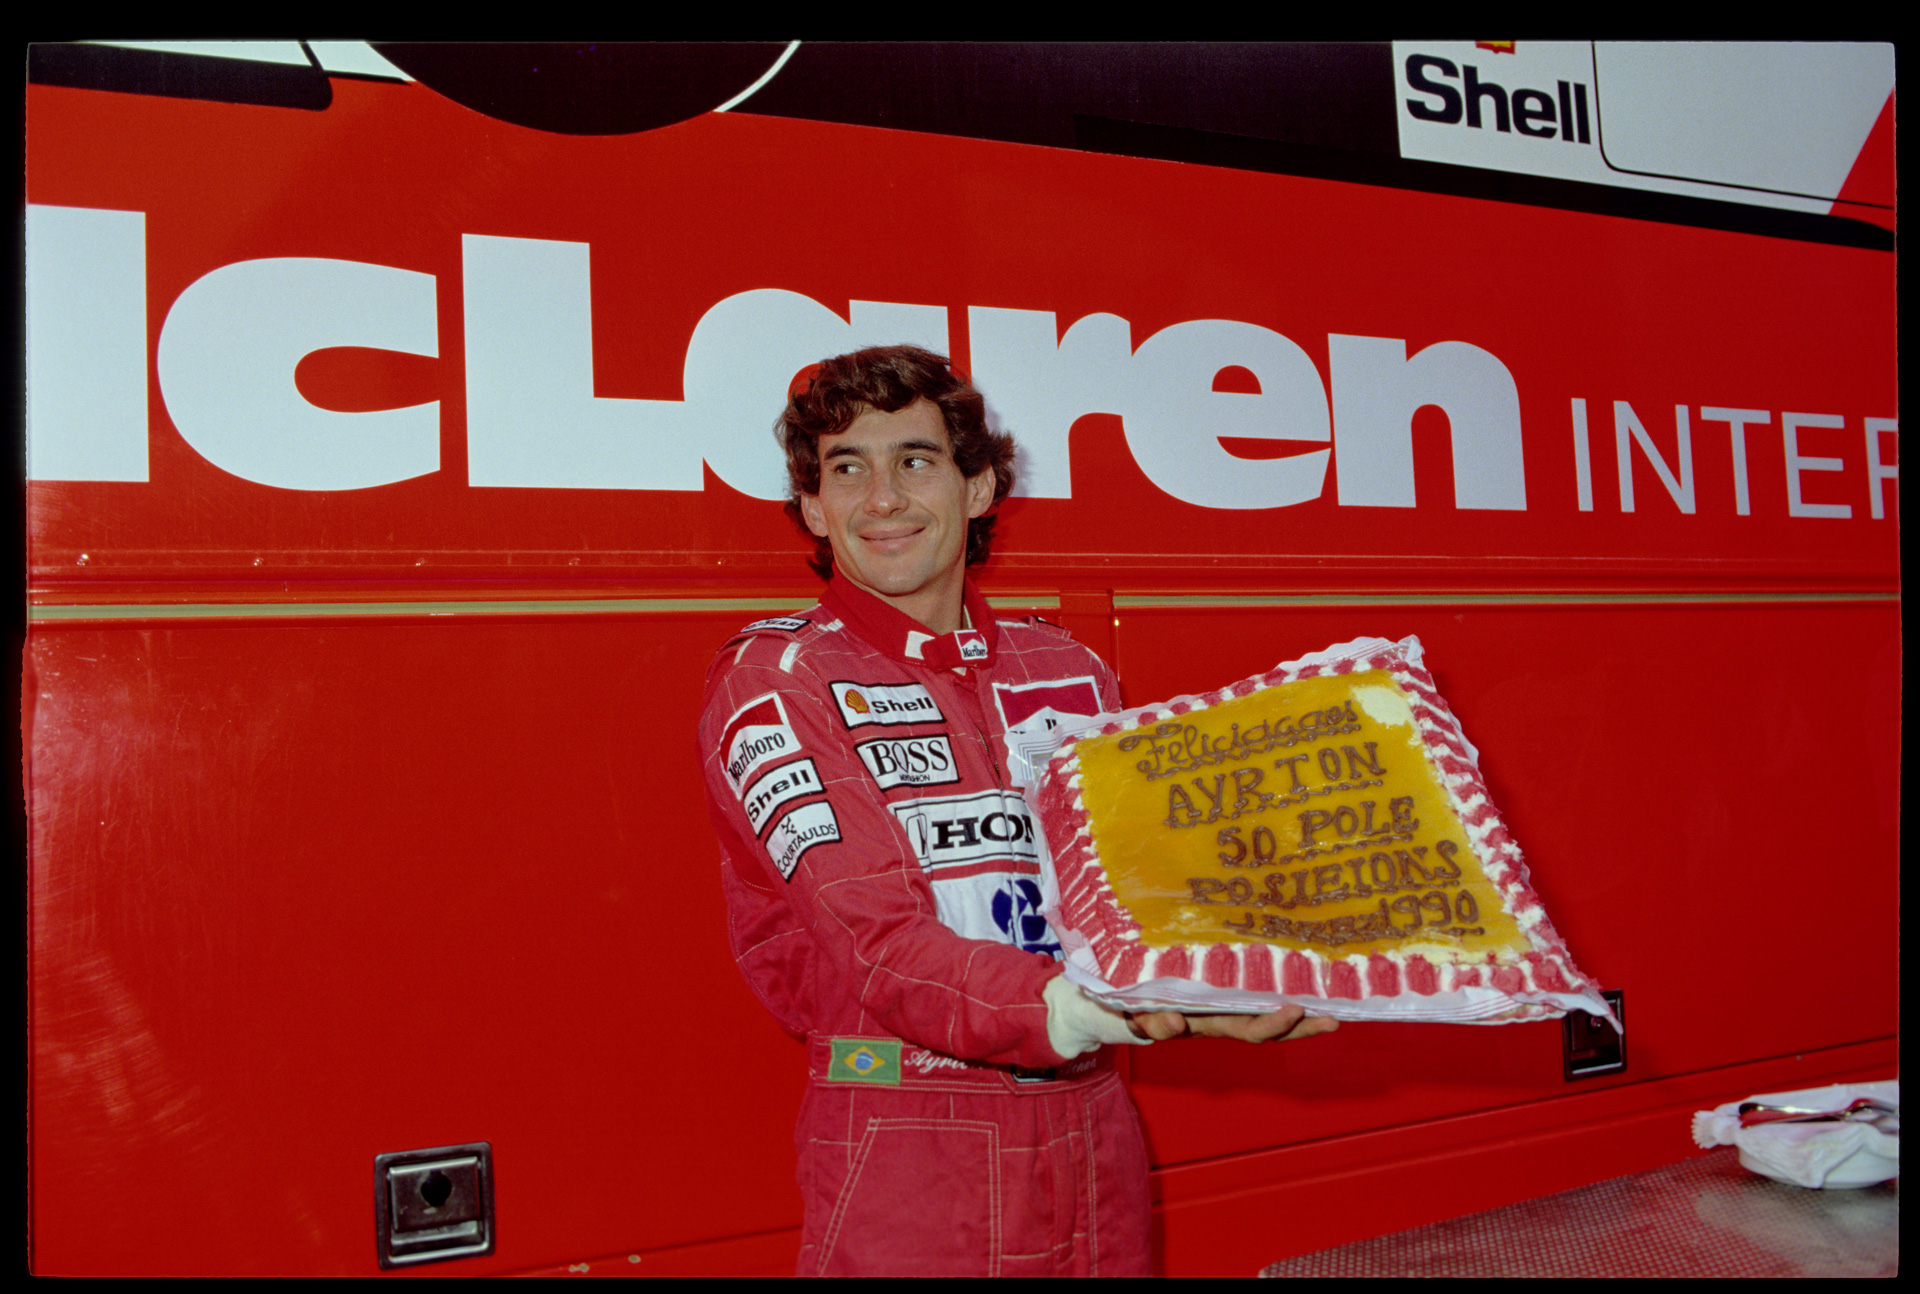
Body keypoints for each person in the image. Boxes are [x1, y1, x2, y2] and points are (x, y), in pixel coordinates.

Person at [695, 345, 1337, 1277]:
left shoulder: (1070, 670)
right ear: (812, 509)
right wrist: (1103, 1010)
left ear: (980, 486)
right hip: (907, 1135)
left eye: (915, 460)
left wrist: (1227, 975)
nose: (882, 497)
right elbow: (879, 950)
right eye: (847, 468)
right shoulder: (774, 682)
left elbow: (1135, 901)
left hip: (1093, 1123)